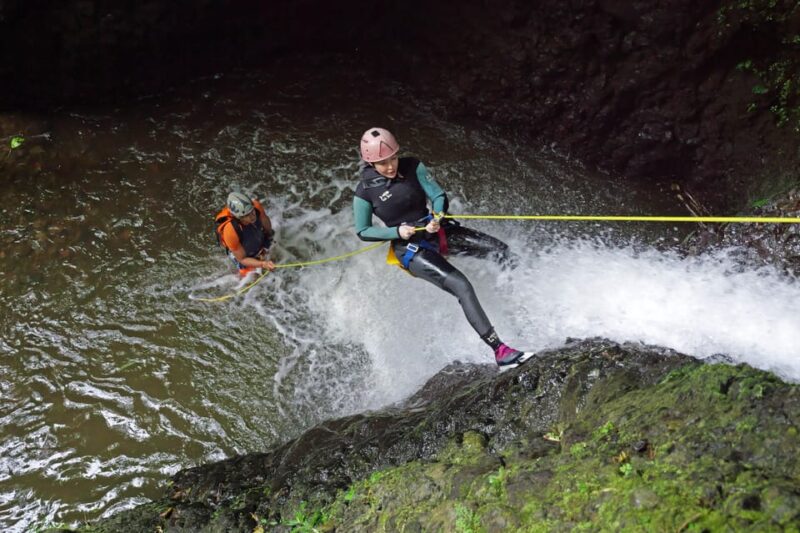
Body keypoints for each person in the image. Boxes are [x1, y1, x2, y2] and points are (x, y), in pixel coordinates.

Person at [352, 127, 532, 367]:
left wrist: (437, 215)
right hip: (411, 250)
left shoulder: (413, 166)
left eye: (393, 158)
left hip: (436, 230)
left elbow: (437, 195)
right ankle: (500, 351)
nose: (390, 166)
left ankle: (529, 309)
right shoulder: (365, 191)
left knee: (502, 252)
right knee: (462, 286)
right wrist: (396, 231)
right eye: (383, 163)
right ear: (371, 162)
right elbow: (363, 231)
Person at [215, 191, 276, 276]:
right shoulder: (230, 230)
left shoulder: (256, 206)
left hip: (254, 236)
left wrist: (269, 239)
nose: (252, 216)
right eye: (247, 215)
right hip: (241, 252)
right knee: (250, 276)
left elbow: (267, 228)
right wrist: (262, 264)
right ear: (238, 217)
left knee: (274, 258)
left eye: (252, 211)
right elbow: (242, 259)